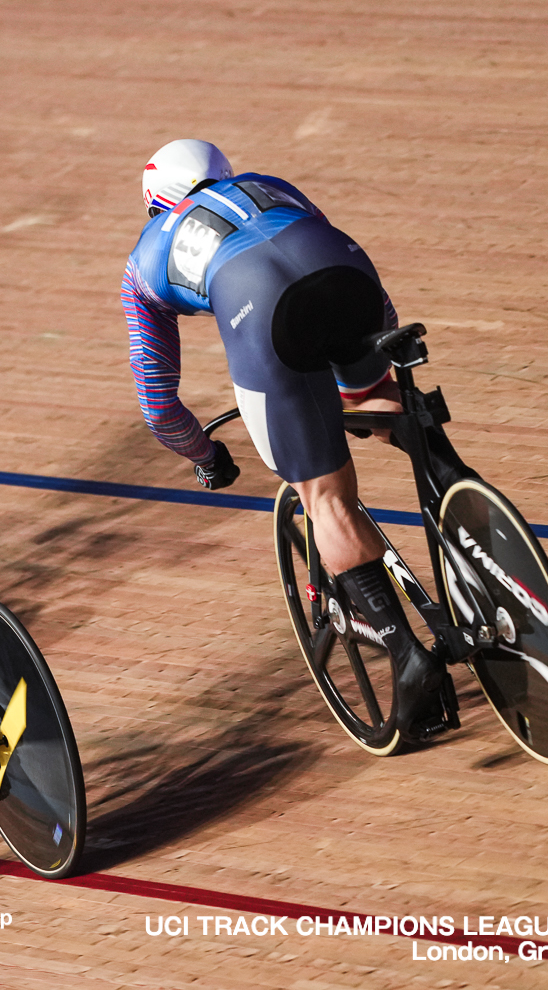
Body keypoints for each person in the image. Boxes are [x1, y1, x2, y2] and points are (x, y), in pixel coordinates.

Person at [121, 139, 451, 739]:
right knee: (376, 400)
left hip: (261, 309)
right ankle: (453, 481)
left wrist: (205, 456)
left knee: (323, 496)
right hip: (346, 271)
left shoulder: (145, 259)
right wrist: (363, 376)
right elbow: (365, 295)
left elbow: (157, 405)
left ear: (155, 206)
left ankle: (408, 658)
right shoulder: (269, 184)